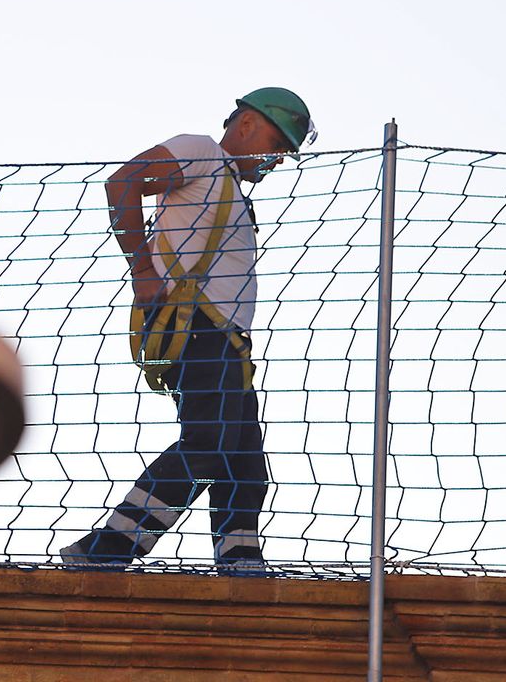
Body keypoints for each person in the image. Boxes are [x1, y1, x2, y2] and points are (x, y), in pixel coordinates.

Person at [58, 88, 315, 575]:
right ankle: (110, 546)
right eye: (277, 142)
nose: (279, 157)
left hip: (225, 340)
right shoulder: (201, 153)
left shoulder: (232, 191)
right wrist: (142, 270)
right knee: (211, 442)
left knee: (244, 458)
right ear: (244, 124)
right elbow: (123, 183)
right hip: (196, 327)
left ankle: (239, 557)